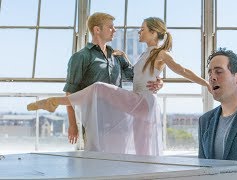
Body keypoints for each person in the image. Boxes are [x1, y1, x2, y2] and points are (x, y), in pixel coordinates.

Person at [27, 17, 211, 156]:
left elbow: (183, 70)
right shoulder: (145, 54)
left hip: (144, 101)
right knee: (142, 147)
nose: (139, 32)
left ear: (154, 33)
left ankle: (55, 101)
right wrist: (127, 59)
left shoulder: (161, 53)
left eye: (142, 30)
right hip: (141, 101)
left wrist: (206, 84)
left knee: (99, 87)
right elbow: (138, 75)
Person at [61, 12, 163, 147]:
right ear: (97, 30)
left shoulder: (117, 56)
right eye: (110, 27)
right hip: (94, 122)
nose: (114, 30)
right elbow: (70, 93)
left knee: (117, 164)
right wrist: (73, 125)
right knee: (95, 164)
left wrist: (159, 81)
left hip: (119, 121)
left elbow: (137, 77)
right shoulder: (81, 57)